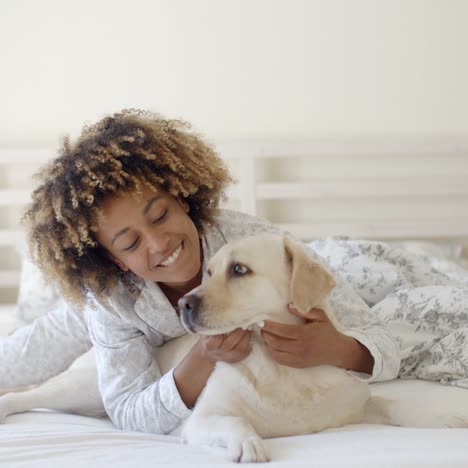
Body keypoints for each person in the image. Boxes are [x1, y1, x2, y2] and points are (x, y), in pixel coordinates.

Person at [0, 109, 400, 434]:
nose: (158, 243)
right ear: (114, 260)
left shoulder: (254, 242)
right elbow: (127, 410)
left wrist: (339, 348)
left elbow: (380, 338)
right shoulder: (109, 298)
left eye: (160, 215)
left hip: (161, 343)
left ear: (183, 198)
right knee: (18, 357)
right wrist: (198, 362)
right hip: (108, 317)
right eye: (130, 243)